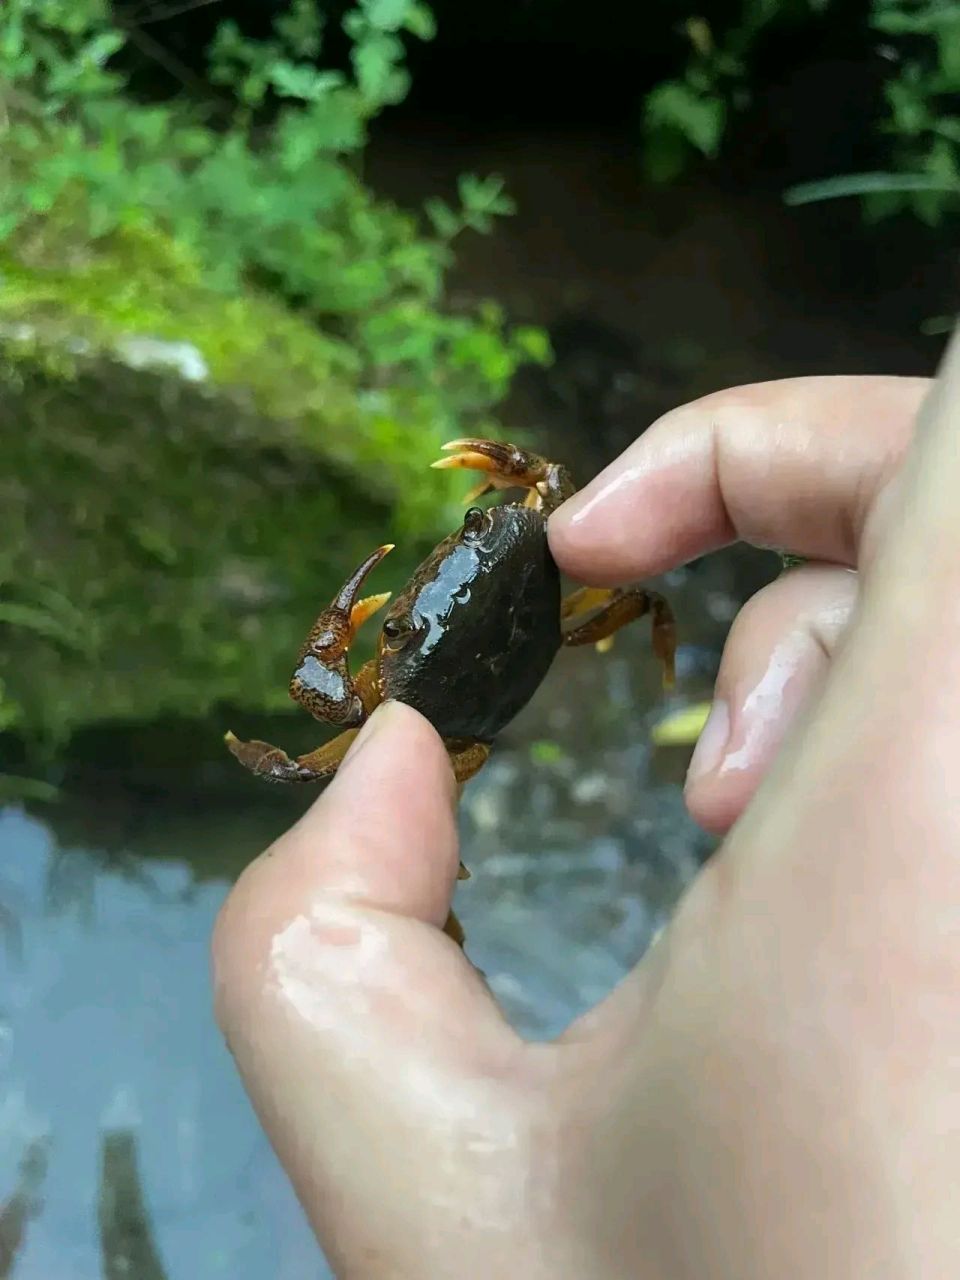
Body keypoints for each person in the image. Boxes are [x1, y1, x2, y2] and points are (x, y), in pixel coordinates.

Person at [212, 336, 960, 1279]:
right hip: (502, 671)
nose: (426, 584)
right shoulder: (543, 580)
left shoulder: (407, 697)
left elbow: (319, 693)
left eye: (468, 544)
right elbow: (584, 544)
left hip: (452, 715)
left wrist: (368, 638)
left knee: (343, 760)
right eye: (405, 612)